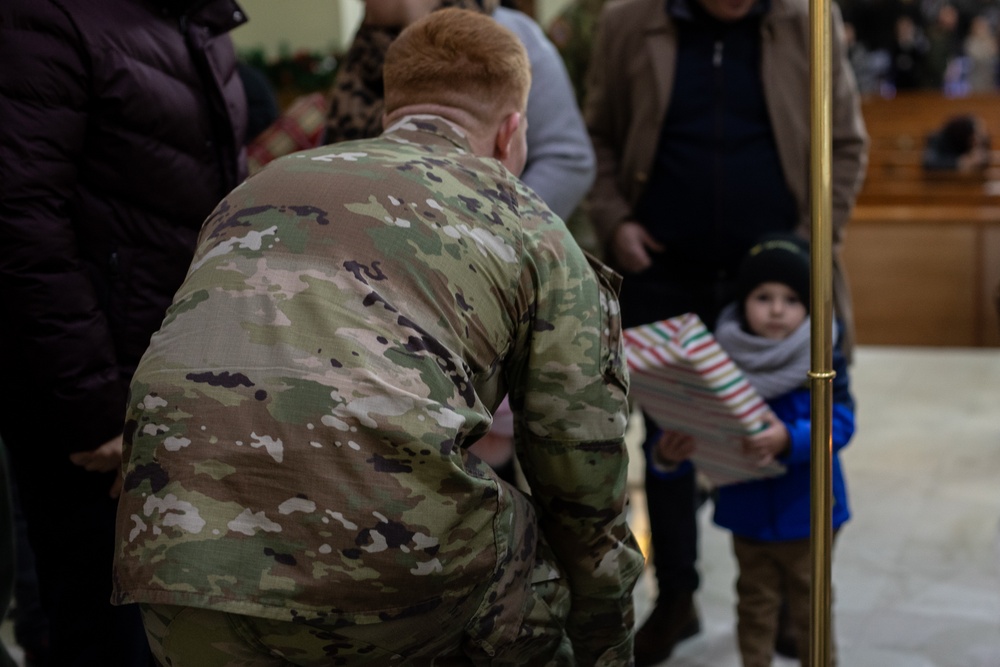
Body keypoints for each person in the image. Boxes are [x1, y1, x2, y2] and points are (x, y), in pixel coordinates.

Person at [111, 9, 644, 666]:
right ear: (511, 135)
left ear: (392, 109)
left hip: (177, 570)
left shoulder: (252, 193)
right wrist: (606, 641)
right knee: (542, 562)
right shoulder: (526, 221)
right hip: (383, 587)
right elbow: (582, 468)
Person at [583, 0, 868, 663]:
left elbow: (846, 144)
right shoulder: (630, 21)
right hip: (663, 268)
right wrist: (615, 218)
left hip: (774, 280)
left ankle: (797, 597)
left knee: (793, 420)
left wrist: (807, 246)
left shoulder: (807, 20)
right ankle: (677, 595)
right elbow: (599, 136)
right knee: (671, 437)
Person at [0, 1, 248, 664]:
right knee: (106, 626)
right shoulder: (47, 19)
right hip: (101, 393)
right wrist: (94, 410)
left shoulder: (200, 22)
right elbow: (22, 220)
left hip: (186, 381)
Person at [324, 0, 597, 482]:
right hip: (379, 284)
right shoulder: (371, 45)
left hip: (474, 278)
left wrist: (481, 230)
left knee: (489, 451)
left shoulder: (511, 38)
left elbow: (570, 158)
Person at [653, 233, 856, 667]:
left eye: (792, 299)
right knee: (755, 605)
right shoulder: (715, 364)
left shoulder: (820, 358)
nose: (778, 309)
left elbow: (841, 423)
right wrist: (669, 454)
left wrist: (790, 439)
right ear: (743, 301)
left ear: (810, 307)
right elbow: (689, 433)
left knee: (811, 607)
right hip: (748, 511)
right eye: (763, 297)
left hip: (809, 511)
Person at [922, 113, 992, 172]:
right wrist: (959, 163)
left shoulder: (977, 140)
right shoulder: (938, 138)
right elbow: (929, 163)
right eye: (974, 137)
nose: (976, 140)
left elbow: (984, 159)